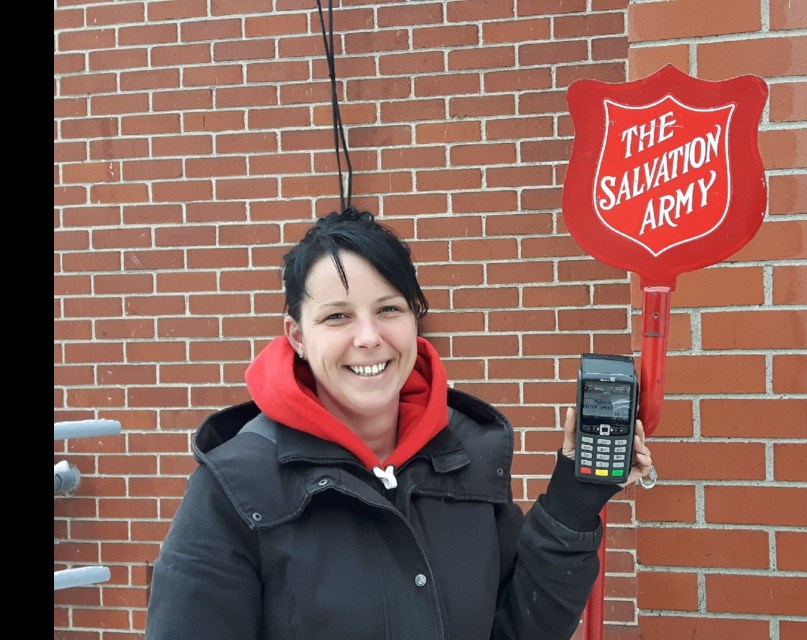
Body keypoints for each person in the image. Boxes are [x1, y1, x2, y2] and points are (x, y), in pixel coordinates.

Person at [145, 208, 654, 640]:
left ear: (415, 318)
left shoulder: (465, 459)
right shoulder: (234, 488)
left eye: (388, 309)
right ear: (297, 336)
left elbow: (520, 628)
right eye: (337, 317)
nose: (368, 337)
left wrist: (574, 500)